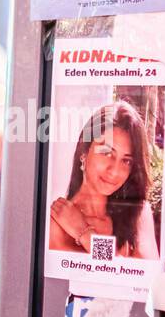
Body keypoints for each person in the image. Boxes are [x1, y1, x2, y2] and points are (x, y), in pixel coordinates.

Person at [49, 100, 159, 259]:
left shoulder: (138, 214)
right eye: (107, 153)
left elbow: (144, 277)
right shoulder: (56, 222)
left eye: (126, 161)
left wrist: (84, 232)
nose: (114, 171)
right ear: (84, 152)